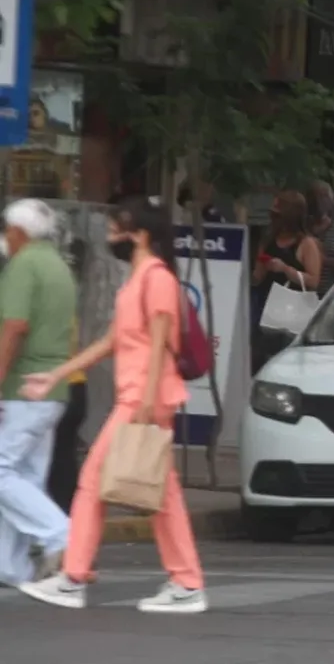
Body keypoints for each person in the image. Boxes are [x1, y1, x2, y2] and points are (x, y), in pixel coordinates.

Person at [18, 195, 207, 613]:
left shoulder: (156, 278)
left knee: (92, 482)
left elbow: (159, 345)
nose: (109, 234)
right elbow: (112, 341)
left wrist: (145, 404)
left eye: (115, 227)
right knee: (162, 495)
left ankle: (73, 577)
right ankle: (186, 583)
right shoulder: (138, 277)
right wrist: (56, 375)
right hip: (142, 397)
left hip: (144, 399)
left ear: (140, 235)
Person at [0, 199, 74, 587]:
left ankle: (62, 536)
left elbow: (14, 327)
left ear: (18, 231)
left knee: (2, 471)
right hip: (51, 390)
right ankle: (11, 567)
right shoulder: (58, 265)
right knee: (25, 478)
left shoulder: (24, 264)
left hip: (23, 387)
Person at [251, 190, 322, 373]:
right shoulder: (268, 239)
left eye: (277, 213)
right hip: (266, 310)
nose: (272, 218)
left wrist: (285, 269)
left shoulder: (307, 243)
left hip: (292, 313)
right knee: (261, 359)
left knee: (287, 361)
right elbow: (257, 277)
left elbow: (313, 281)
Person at [48, 236, 89, 514]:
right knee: (62, 460)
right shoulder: (64, 299)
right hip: (74, 385)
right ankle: (67, 523)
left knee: (54, 463)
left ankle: (59, 525)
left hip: (57, 389)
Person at [308, 181, 334, 298]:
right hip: (305, 294)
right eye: (318, 198)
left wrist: (325, 260)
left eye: (325, 197)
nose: (321, 202)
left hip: (331, 295)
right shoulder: (304, 228)